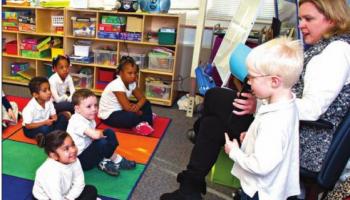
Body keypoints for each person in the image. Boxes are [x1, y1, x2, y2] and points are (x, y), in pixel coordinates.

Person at [161, 0, 350, 199]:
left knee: (214, 101)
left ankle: (190, 184)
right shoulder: (325, 46)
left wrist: (259, 104)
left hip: (301, 137)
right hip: (287, 122)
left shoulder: (336, 52)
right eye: (301, 18)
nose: (301, 25)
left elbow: (312, 109)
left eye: (308, 19)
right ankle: (190, 187)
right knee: (213, 118)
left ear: (332, 18)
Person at [224, 37, 303, 200]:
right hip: (274, 187)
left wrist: (234, 152)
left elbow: (261, 165)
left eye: (252, 77)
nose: (249, 82)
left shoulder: (274, 121)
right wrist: (253, 137)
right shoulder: (287, 104)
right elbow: (276, 145)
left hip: (260, 191)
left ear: (274, 81)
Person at [67, 88, 136, 177]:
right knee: (102, 141)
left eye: (95, 105)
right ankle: (112, 160)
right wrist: (102, 136)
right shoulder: (76, 121)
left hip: (89, 150)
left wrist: (104, 136)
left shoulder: (89, 119)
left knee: (109, 132)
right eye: (89, 106)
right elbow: (95, 135)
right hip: (80, 160)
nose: (94, 109)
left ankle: (106, 159)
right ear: (77, 109)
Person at [32, 130, 98, 200]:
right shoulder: (49, 172)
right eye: (66, 149)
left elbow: (79, 183)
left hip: (65, 195)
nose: (73, 150)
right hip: (49, 198)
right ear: (54, 155)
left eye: (73, 144)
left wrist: (69, 198)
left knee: (91, 190)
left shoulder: (74, 160)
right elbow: (56, 197)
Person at [98, 56, 154, 136]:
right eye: (130, 73)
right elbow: (127, 108)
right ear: (121, 73)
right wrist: (139, 112)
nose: (133, 76)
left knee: (146, 103)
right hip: (109, 116)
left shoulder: (132, 83)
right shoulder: (117, 85)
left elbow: (142, 98)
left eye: (135, 73)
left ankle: (146, 123)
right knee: (131, 116)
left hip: (122, 109)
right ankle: (144, 119)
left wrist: (138, 106)